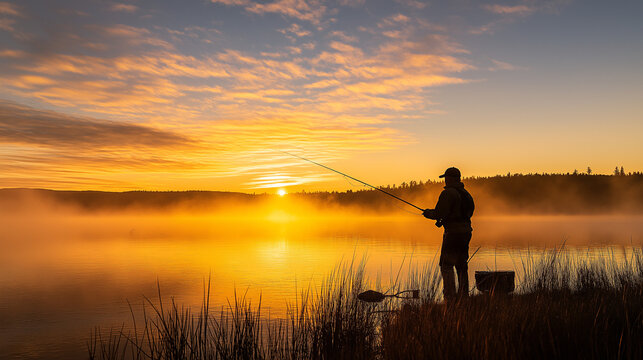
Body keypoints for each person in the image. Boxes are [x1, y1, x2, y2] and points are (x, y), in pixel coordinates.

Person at [423, 167, 475, 301]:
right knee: (462, 265)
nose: (445, 181)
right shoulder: (466, 194)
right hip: (466, 233)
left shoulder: (448, 193)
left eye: (446, 178)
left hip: (453, 234)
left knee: (446, 265)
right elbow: (467, 213)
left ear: (451, 179)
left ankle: (450, 298)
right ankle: (464, 296)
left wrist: (428, 213)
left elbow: (439, 213)